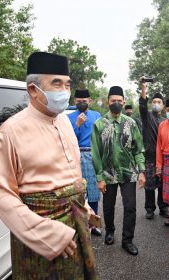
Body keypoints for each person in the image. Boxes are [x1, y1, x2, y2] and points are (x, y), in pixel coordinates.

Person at [0, 52, 99, 279]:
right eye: (56, 84)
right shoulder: (9, 132)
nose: (64, 91)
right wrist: (44, 233)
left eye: (67, 84)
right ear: (32, 90)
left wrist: (84, 205)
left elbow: (72, 174)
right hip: (41, 235)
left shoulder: (66, 122)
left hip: (76, 224)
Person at [91, 86, 146, 256]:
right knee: (108, 206)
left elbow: (138, 149)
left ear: (123, 102)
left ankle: (127, 240)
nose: (116, 103)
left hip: (128, 172)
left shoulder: (131, 123)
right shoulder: (99, 124)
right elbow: (96, 153)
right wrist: (99, 177)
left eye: (119, 101)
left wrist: (142, 171)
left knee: (130, 207)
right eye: (113, 100)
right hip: (108, 173)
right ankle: (109, 231)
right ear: (108, 101)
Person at [68, 89, 102, 236]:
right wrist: (78, 124)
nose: (82, 103)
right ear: (74, 101)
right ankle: (80, 225)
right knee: (78, 191)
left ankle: (94, 225)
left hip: (92, 154)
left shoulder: (96, 115)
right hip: (76, 154)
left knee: (93, 192)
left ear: (90, 101)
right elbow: (68, 140)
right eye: (78, 101)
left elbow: (101, 137)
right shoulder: (68, 118)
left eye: (85, 100)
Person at [139, 81, 169, 220]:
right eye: (154, 101)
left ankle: (163, 208)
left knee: (163, 184)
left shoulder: (165, 120)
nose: (156, 103)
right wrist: (144, 89)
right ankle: (150, 209)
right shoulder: (147, 117)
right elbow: (142, 106)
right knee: (150, 186)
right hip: (150, 157)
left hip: (163, 158)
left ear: (163, 105)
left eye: (159, 101)